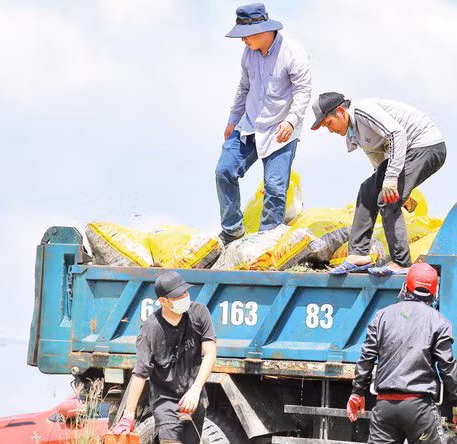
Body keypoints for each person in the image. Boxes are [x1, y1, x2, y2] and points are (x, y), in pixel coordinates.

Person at [311, 92, 446, 276]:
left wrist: (391, 178)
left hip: (426, 146)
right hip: (409, 153)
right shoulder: (354, 133)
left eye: (328, 124)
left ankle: (401, 262)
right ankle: (358, 254)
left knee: (388, 199)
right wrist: (389, 182)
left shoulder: (363, 111)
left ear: (341, 112)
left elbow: (397, 134)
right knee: (368, 190)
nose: (330, 130)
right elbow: (379, 161)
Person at [215, 3, 312, 245]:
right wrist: (232, 120)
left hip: (281, 128)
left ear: (261, 31)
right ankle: (232, 229)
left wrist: (291, 121)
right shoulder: (248, 53)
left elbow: (303, 91)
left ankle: (266, 240)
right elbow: (244, 88)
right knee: (224, 170)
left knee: (275, 189)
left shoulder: (293, 53)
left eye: (245, 35)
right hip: (249, 124)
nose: (242, 40)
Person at [347, 263, 457, 443]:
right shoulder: (440, 323)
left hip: (385, 407)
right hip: (420, 408)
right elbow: (447, 367)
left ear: (405, 286)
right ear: (435, 292)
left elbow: (366, 357)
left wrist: (357, 392)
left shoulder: (382, 316)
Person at [110, 271, 217, 444]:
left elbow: (210, 353)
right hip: (165, 401)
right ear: (163, 301)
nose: (184, 297)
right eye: (178, 296)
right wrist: (128, 415)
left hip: (194, 398)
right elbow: (140, 373)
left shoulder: (199, 313)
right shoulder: (151, 328)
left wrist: (196, 389)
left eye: (185, 292)